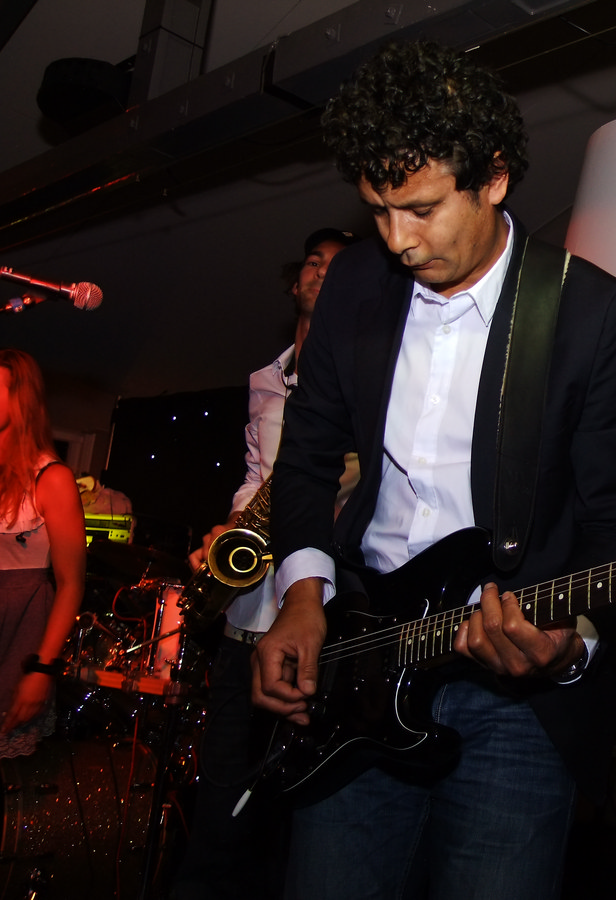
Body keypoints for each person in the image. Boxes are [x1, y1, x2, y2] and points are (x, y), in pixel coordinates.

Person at [251, 40, 616, 900]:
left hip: (512, 703)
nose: (398, 240)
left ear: (495, 177)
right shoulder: (355, 284)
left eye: (422, 208)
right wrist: (301, 597)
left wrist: (570, 645)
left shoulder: (595, 316)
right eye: (378, 210)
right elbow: (309, 455)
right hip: (362, 662)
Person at [170, 228, 359, 900]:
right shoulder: (263, 381)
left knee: (293, 805)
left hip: (315, 614)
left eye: (338, 266)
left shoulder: (365, 378)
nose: (322, 272)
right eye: (313, 261)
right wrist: (231, 527)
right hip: (246, 613)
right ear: (294, 281)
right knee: (222, 790)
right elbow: (256, 475)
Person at [0, 348, 85, 760]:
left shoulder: (51, 478)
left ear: (20, 401)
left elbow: (70, 584)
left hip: (15, 635)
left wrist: (42, 669)